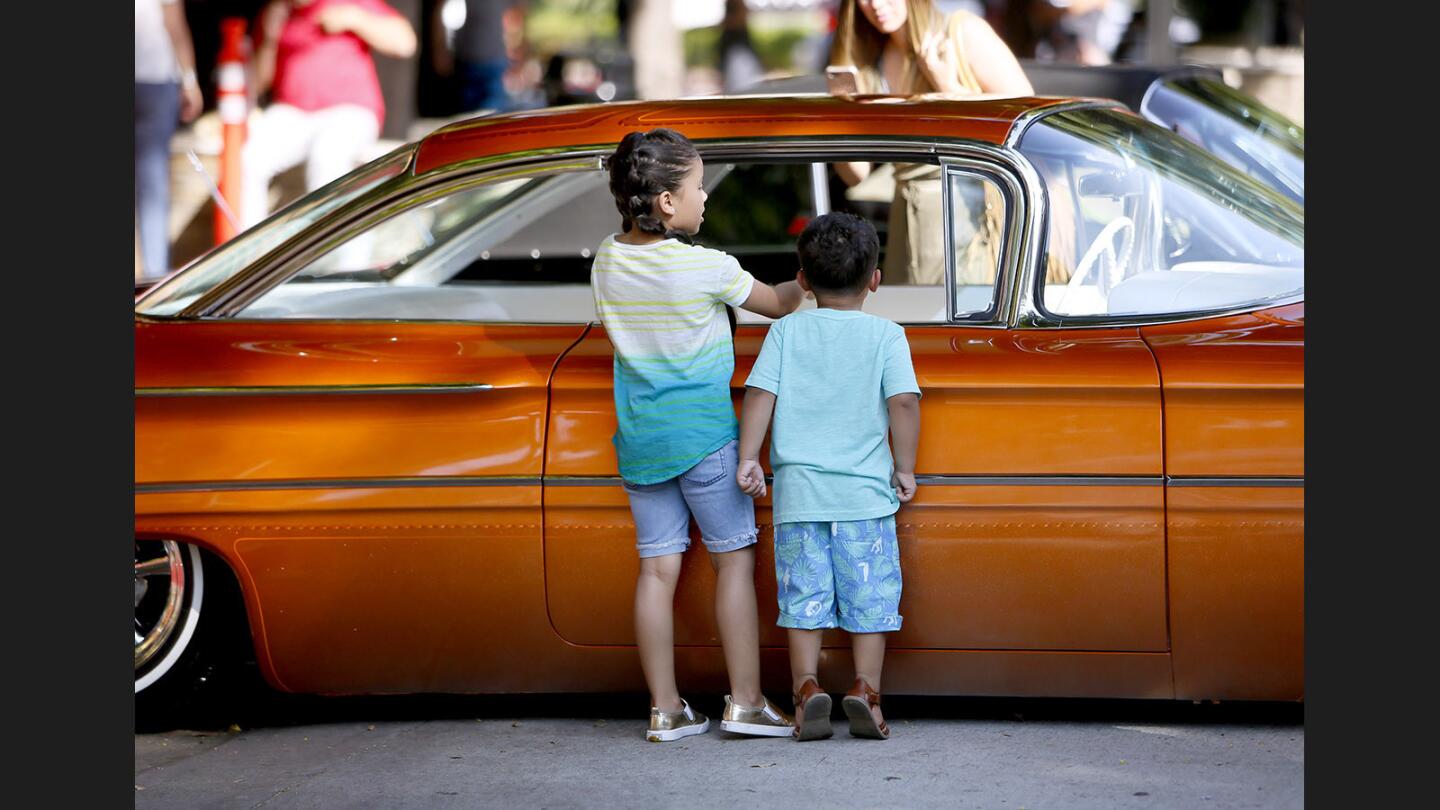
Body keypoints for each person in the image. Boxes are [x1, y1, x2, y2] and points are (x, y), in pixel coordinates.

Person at [594, 128, 805, 742]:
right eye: (696, 186)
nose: (705, 196)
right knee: (733, 563)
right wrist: (811, 276)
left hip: (641, 442)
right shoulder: (707, 266)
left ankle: (666, 709)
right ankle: (744, 702)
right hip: (708, 439)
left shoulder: (607, 260)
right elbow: (777, 303)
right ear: (666, 202)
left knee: (656, 573)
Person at [737, 211, 921, 741]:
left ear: (802, 279)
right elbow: (904, 402)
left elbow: (759, 396)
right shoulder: (887, 336)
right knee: (870, 602)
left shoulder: (786, 333)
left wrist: (751, 458)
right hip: (865, 498)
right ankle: (866, 690)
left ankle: (806, 690)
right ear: (875, 280)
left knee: (803, 602)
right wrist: (904, 467)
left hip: (800, 499)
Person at [827, 0, 1032, 285]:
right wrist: (842, 116)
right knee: (910, 319)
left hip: (967, 211)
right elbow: (856, 174)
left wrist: (947, 86)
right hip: (907, 217)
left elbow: (1026, 127)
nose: (875, 5)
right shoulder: (871, 59)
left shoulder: (961, 32)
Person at [241, 0, 417, 229]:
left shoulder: (347, 3)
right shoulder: (277, 12)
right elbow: (257, 84)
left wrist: (355, 19)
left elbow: (405, 42)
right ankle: (250, 257)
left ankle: (328, 257)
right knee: (247, 158)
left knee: (327, 157)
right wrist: (269, 40)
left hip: (348, 111)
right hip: (293, 113)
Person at [135, 0, 203, 281]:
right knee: (152, 183)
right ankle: (154, 276)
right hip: (153, 78)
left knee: (151, 181)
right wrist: (189, 80)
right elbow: (174, 23)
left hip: (152, 78)